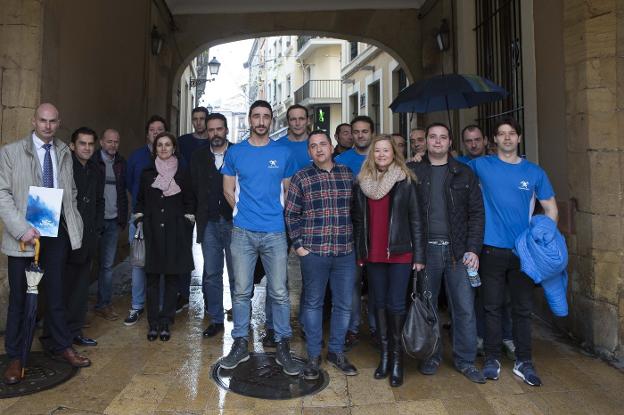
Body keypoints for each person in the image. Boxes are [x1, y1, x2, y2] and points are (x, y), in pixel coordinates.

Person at [0, 103, 90, 385]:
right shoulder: (11, 152)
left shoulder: (64, 151)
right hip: (23, 239)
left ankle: (61, 345)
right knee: (20, 298)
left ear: (58, 122)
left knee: (56, 293)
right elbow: (2, 194)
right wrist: (21, 228)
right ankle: (16, 356)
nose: (47, 126)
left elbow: (71, 190)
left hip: (55, 235)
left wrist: (71, 221)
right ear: (33, 120)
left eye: (52, 121)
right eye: (42, 120)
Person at [469, 116, 558, 387]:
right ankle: (493, 360)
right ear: (493, 140)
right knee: (492, 307)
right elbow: (449, 173)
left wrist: (544, 240)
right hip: (491, 249)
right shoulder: (480, 165)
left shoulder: (534, 172)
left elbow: (551, 208)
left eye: (511, 134)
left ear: (519, 138)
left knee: (521, 309)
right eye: (501, 134)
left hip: (523, 253)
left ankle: (524, 361)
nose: (506, 138)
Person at [220, 100, 300, 376]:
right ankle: (241, 343)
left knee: (279, 292)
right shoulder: (236, 153)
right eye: (257, 116)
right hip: (243, 232)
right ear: (250, 119)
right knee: (241, 291)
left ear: (272, 121)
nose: (261, 121)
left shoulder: (283, 152)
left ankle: (282, 344)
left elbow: (289, 193)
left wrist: (280, 220)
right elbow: (228, 189)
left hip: (275, 232)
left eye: (266, 116)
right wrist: (241, 212)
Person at [407, 122, 486, 384]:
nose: (438, 142)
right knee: (428, 308)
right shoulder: (414, 171)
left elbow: (476, 214)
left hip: (458, 252)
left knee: (463, 308)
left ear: (450, 142)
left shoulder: (464, 173)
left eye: (443, 138)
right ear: (425, 141)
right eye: (433, 137)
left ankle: (465, 360)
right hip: (426, 251)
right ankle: (432, 355)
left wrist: (473, 249)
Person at [352, 134, 425, 387]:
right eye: (377, 151)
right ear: (372, 154)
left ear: (394, 153)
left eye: (386, 150)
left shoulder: (405, 181)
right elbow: (358, 222)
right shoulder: (361, 182)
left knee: (396, 305)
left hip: (400, 253)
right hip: (373, 254)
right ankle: (384, 356)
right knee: (378, 304)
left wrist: (420, 256)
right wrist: (361, 252)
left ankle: (397, 360)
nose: (382, 154)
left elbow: (416, 218)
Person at [285, 130, 358, 380]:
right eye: (313, 146)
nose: (319, 149)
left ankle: (336, 352)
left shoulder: (347, 174)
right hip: (314, 252)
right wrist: (299, 245)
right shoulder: (301, 177)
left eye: (323, 144)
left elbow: (357, 213)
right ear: (309, 152)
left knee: (343, 304)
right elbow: (291, 214)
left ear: (331, 146)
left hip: (345, 252)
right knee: (313, 304)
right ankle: (314, 355)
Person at [134, 132, 195, 342]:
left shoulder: (183, 173)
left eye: (167, 145)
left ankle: (166, 321)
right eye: (159, 145)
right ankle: (153, 323)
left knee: (171, 280)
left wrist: (186, 223)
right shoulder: (147, 173)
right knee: (152, 281)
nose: (163, 148)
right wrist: (140, 219)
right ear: (155, 148)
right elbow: (140, 201)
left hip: (175, 232)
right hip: (152, 232)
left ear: (174, 148)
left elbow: (190, 201)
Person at [191, 112, 235, 338]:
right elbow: (193, 189)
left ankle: (240, 316)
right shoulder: (198, 157)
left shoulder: (238, 153)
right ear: (206, 132)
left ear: (226, 130)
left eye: (219, 129)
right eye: (211, 130)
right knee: (211, 273)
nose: (215, 133)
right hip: (208, 222)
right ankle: (216, 319)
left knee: (238, 273)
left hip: (234, 222)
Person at [335, 115, 376, 350]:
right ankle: (352, 328)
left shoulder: (382, 156)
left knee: (377, 284)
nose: (360, 135)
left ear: (372, 132)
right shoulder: (341, 160)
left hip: (379, 230)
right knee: (351, 283)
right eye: (356, 132)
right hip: (350, 229)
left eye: (364, 131)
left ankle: (376, 328)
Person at [124, 115, 166, 325]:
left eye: (160, 129)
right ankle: (137, 305)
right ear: (147, 133)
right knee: (139, 263)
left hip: (164, 221)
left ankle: (159, 306)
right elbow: (130, 184)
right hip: (140, 219)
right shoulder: (136, 157)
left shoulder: (174, 159)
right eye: (152, 129)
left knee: (161, 262)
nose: (156, 132)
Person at [64, 127, 104, 347]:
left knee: (80, 289)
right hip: (67, 237)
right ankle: (59, 337)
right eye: (82, 143)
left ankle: (75, 331)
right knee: (64, 288)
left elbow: (99, 201)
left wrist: (97, 228)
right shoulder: (65, 168)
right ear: (72, 145)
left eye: (90, 144)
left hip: (88, 237)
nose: (87, 148)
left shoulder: (96, 169)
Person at [176, 106, 210, 312]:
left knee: (210, 251)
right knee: (183, 249)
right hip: (185, 202)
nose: (198, 122)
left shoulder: (213, 141)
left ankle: (209, 297)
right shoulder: (182, 142)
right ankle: (183, 294)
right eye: (195, 119)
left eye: (202, 119)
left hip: (206, 204)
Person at [93, 128, 128, 321]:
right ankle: (77, 311)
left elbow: (123, 192)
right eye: (109, 141)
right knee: (84, 264)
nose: (113, 145)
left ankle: (103, 304)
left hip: (113, 222)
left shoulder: (121, 163)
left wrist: (122, 218)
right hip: (94, 222)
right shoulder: (92, 162)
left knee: (107, 266)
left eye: (116, 141)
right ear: (101, 142)